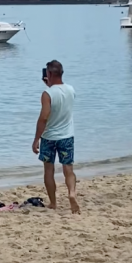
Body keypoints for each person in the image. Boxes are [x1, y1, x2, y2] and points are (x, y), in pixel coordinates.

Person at [32, 60, 80, 213]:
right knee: (68, 168)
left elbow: (44, 117)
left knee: (49, 170)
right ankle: (71, 193)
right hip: (67, 136)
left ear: (50, 74)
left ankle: (53, 203)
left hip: (49, 137)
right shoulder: (71, 89)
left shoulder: (47, 94)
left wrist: (36, 139)